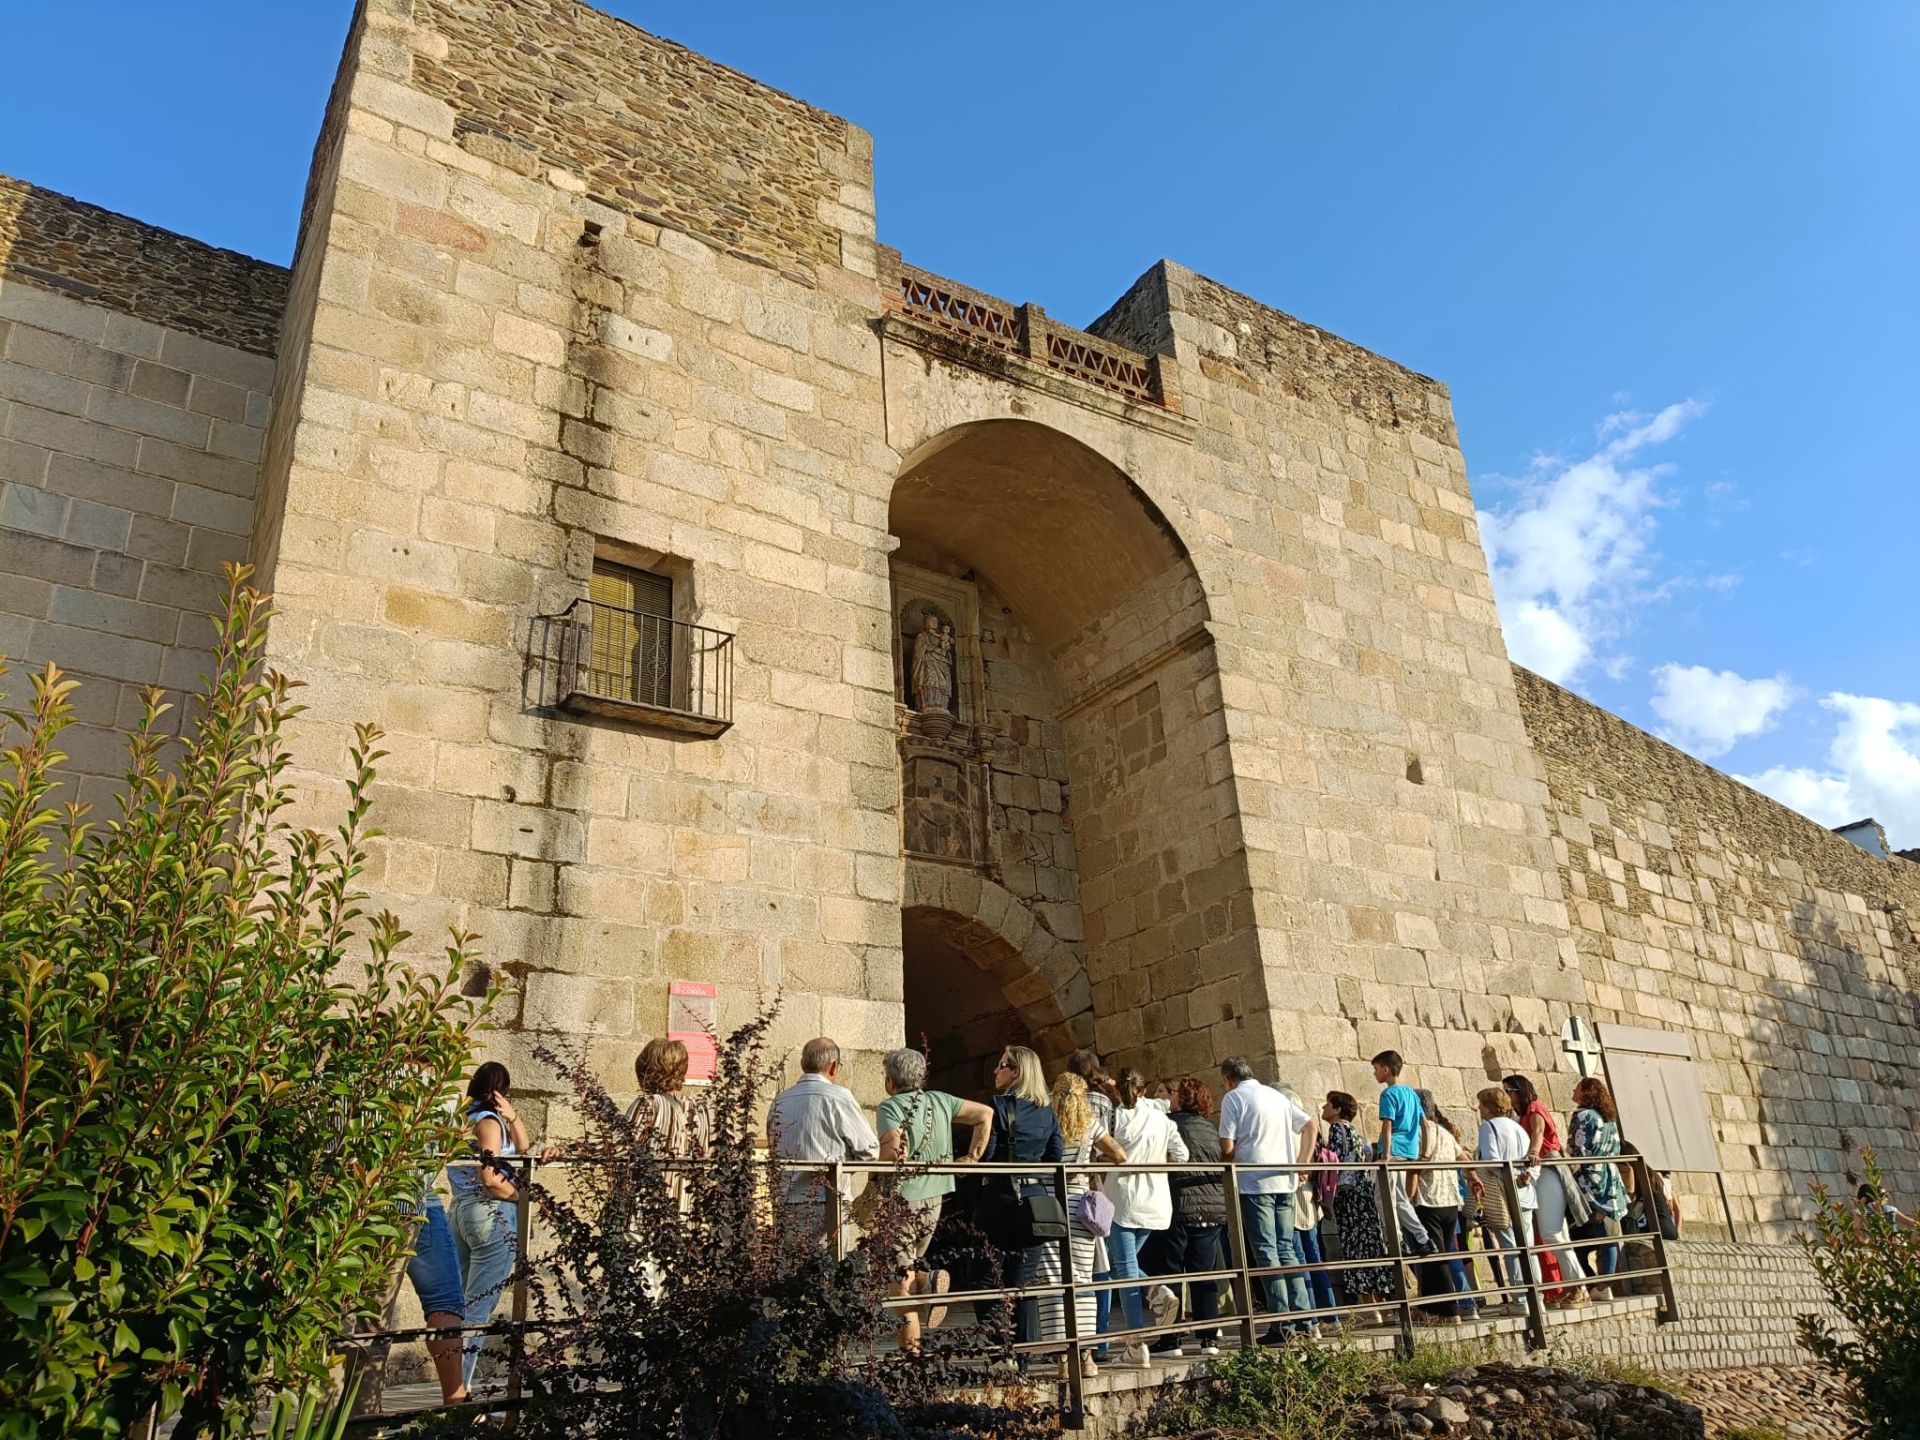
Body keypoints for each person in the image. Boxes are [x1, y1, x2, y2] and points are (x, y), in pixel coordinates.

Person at [874, 1047, 994, 1352]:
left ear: (891, 1080)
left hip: (902, 1200)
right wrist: (971, 1157)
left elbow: (890, 1154)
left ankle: (911, 1354)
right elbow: (985, 1114)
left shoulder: (891, 1107)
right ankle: (928, 1281)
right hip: (935, 1199)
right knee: (907, 1269)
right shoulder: (940, 1100)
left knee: (898, 1281)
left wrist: (872, 1176)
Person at [1217, 1057, 1318, 1341]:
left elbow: (1227, 1146)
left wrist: (1225, 1156)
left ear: (1228, 1079)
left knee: (1266, 1253)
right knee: (1287, 1250)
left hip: (1255, 1182)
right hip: (1285, 1180)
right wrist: (1302, 1163)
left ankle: (1281, 1324)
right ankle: (1305, 1321)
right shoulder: (1275, 1096)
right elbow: (1310, 1125)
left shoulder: (1233, 1098)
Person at [973, 1045, 1064, 1349]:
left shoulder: (998, 1106)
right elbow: (1056, 1156)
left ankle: (1000, 1348)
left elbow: (986, 1156)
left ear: (1016, 1072)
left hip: (999, 1198)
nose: (995, 1071)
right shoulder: (1047, 1111)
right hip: (1035, 1200)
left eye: (1002, 1065)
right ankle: (1022, 1358)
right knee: (1021, 1285)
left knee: (984, 1279)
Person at [1036, 1072, 1125, 1375]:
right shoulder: (1089, 1123)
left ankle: (1062, 1358)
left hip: (1049, 1204)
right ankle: (1085, 1355)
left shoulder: (1045, 1120)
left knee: (1052, 1280)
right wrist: (1088, 1165)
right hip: (1080, 1207)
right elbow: (1119, 1155)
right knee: (1082, 1279)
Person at [449, 1061, 529, 1390]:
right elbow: (490, 1176)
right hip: (490, 1215)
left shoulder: (464, 1119)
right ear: (500, 1091)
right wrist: (522, 1197)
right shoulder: (489, 1125)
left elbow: (525, 1150)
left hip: (461, 1211)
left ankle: (450, 1386)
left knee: (457, 1306)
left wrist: (513, 1117)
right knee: (477, 1310)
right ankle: (457, 1392)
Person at [1108, 1068, 1189, 1365]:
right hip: (1156, 1200)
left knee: (1125, 1270)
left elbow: (1104, 1150)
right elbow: (1182, 1156)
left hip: (1123, 1198)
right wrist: (1155, 1163)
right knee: (1122, 1264)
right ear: (1144, 1090)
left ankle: (1136, 1344)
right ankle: (1157, 1292)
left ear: (1120, 1091)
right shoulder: (1162, 1119)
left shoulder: (1114, 1117)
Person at [768, 1036, 879, 1251]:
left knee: (789, 1275)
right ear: (834, 1066)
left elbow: (774, 1148)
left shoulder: (780, 1100)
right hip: (827, 1203)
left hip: (786, 1201)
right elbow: (871, 1150)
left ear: (803, 1064)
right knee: (826, 1275)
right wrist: (846, 1163)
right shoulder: (838, 1097)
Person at [1503, 1074, 1588, 1306]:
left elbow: (1538, 1132)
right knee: (1557, 1233)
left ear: (1518, 1091)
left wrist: (1532, 1153)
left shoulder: (1534, 1108)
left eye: (1509, 1091)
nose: (1507, 1096)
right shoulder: (1524, 1112)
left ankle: (1579, 1286)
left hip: (1548, 1167)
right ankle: (1575, 1285)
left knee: (1552, 1234)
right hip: (1543, 1169)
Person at [1159, 1077, 1227, 1359]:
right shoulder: (1210, 1128)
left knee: (1172, 1272)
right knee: (1205, 1273)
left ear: (1181, 1098)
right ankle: (1209, 1338)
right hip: (1211, 1208)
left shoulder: (1172, 1124)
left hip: (1180, 1204)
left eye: (1172, 1093)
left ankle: (1171, 1339)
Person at [1065, 1047, 1120, 1349]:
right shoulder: (1106, 1100)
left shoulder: (1082, 1101)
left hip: (1082, 1187)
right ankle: (1100, 1338)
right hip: (1098, 1185)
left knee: (1093, 1266)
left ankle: (1096, 1342)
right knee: (1101, 1263)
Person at [1323, 1090, 1393, 1324]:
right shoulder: (1354, 1131)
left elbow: (1336, 1160)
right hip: (1362, 1193)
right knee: (1370, 1246)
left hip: (1348, 1193)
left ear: (1337, 1109)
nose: (1324, 1108)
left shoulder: (1336, 1129)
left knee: (1354, 1247)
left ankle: (1368, 1307)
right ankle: (1381, 1307)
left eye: (1328, 1105)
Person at [1470, 1085, 1536, 1306]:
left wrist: (1509, 1177)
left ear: (1489, 1108)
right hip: (1525, 1192)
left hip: (1503, 1193)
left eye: (1481, 1105)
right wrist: (1526, 1176)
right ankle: (1537, 1296)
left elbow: (1491, 1160)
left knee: (1511, 1248)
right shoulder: (1518, 1128)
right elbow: (1532, 1158)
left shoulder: (1488, 1127)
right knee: (1528, 1247)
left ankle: (1521, 1300)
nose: (1479, 1109)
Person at [1566, 1076, 1630, 1298]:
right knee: (1609, 1235)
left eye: (1577, 1088)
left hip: (1590, 1177)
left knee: (1576, 1233)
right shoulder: (1609, 1118)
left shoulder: (1582, 1115)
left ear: (1586, 1092)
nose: (1573, 1091)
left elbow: (1576, 1149)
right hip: (1609, 1176)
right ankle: (1605, 1285)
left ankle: (1596, 1286)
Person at [628, 1037, 712, 1206]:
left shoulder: (649, 1104)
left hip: (650, 1209)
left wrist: (567, 1149)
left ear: (646, 1069)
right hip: (689, 1210)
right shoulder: (703, 1109)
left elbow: (619, 1144)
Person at [1278, 1085, 1338, 1316]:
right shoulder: (1310, 1132)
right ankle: (1329, 1314)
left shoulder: (1288, 1133)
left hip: (1292, 1198)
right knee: (1314, 1257)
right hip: (1310, 1199)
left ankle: (1309, 1314)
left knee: (1297, 1257)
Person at [1410, 1089, 1468, 1323]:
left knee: (1436, 1257)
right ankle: (1433, 1309)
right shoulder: (1444, 1132)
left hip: (1430, 1200)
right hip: (1451, 1200)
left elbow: (1417, 1166)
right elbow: (1462, 1157)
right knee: (1438, 1255)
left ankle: (1451, 1311)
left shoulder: (1420, 1133)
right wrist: (1472, 1177)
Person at [1371, 1051, 1434, 1255]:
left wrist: (1385, 1155)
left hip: (1393, 1150)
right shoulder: (1411, 1093)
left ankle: (1395, 1240)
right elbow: (1425, 1124)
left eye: (1376, 1069)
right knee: (1399, 1198)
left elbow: (1387, 1125)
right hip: (1409, 1150)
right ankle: (1422, 1237)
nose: (1375, 1074)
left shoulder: (1388, 1094)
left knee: (1382, 1197)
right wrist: (1425, 1152)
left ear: (1386, 1069)